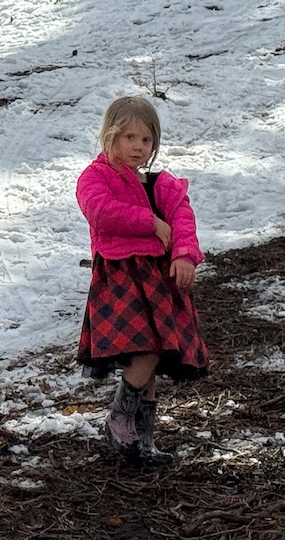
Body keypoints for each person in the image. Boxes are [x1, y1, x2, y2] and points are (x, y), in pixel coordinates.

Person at [76, 95, 207, 466]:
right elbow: (101, 213)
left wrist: (184, 254)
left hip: (158, 282)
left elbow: (183, 218)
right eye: (129, 137)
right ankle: (119, 418)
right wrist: (150, 222)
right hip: (120, 278)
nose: (138, 147)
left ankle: (141, 438)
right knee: (146, 348)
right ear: (111, 137)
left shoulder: (158, 184)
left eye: (146, 140)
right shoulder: (95, 177)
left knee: (156, 353)